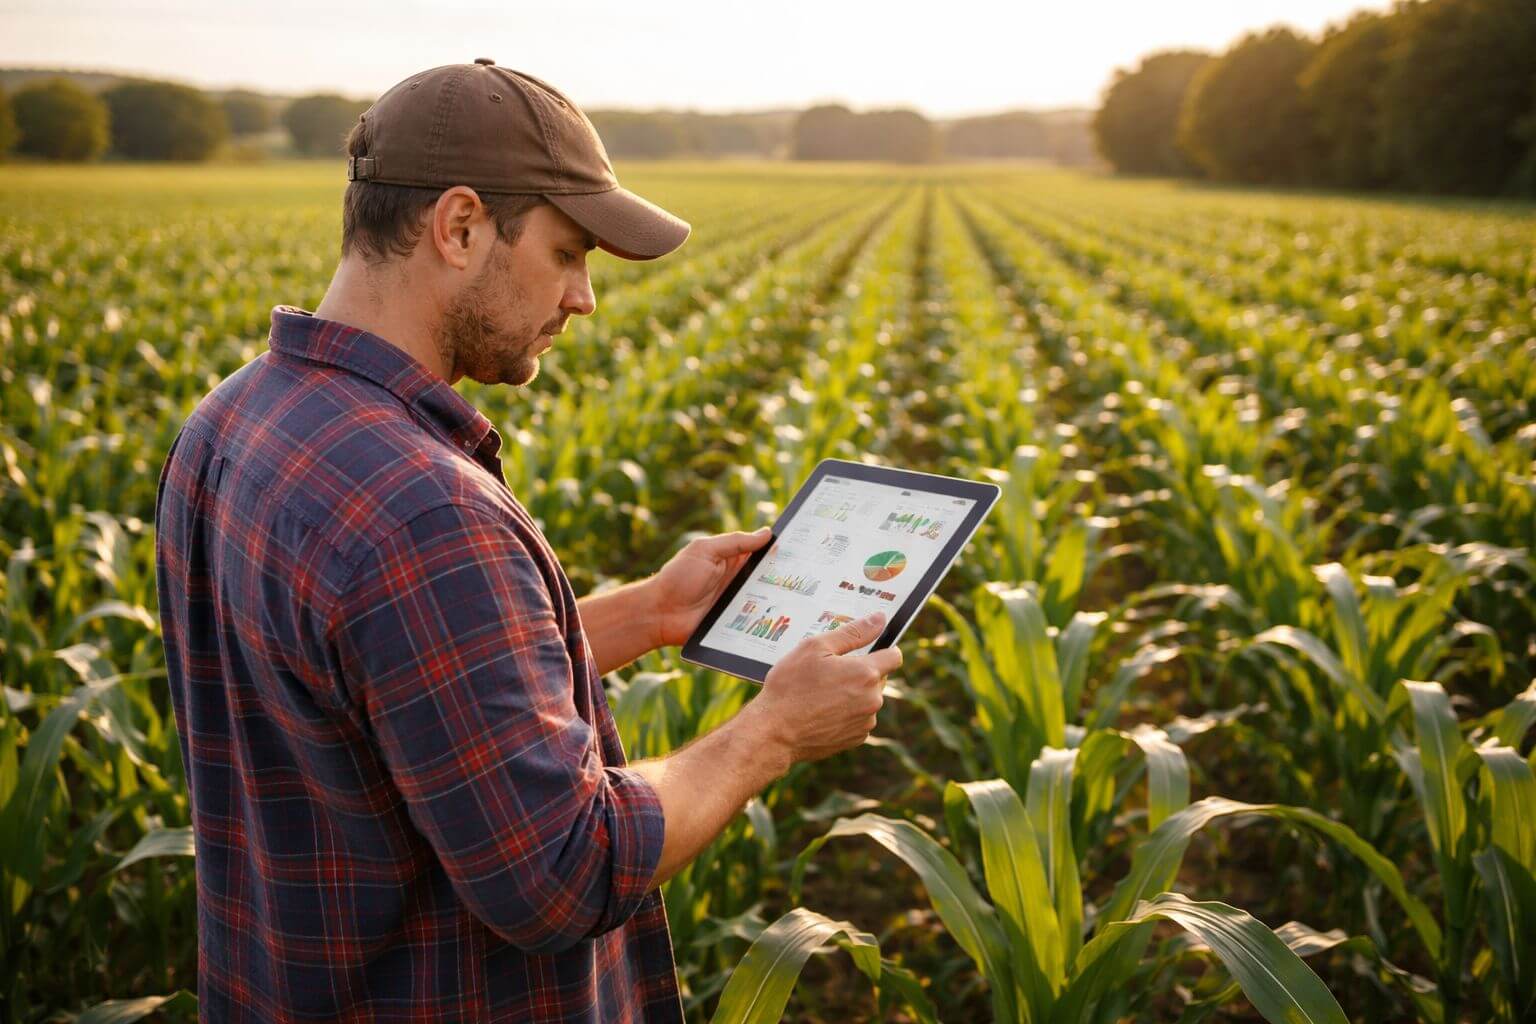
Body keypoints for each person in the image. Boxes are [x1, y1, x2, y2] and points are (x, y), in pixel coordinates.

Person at [153, 60, 902, 1024]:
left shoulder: (232, 420)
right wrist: (772, 732)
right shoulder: (424, 513)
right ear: (459, 227)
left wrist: (649, 613)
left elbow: (405, 697)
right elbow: (564, 871)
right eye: (568, 253)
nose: (585, 298)